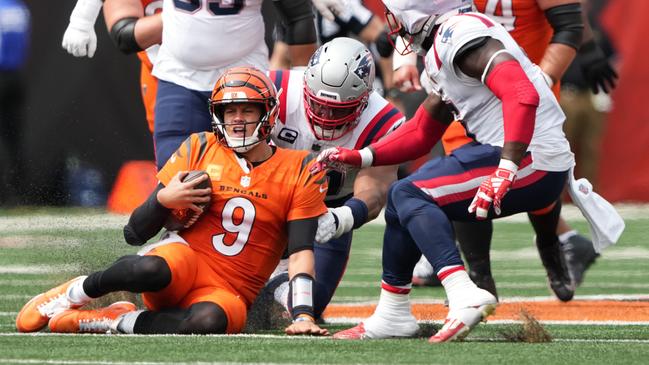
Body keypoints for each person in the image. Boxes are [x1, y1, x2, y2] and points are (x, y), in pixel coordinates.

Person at [313, 0, 579, 342]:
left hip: (531, 159)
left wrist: (505, 169)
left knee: (410, 193)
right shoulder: (446, 40)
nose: (392, 22)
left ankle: (463, 291)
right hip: (526, 155)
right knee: (400, 198)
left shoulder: (459, 35)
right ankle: (392, 314)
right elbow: (422, 132)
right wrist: (362, 156)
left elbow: (521, 93)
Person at [15, 67, 329, 336]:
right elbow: (133, 233)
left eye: (247, 110)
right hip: (185, 262)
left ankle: (111, 319)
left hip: (230, 290)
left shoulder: (300, 167)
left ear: (268, 112)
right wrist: (165, 200)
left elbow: (301, 252)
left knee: (211, 321)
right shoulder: (200, 146)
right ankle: (72, 293)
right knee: (149, 268)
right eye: (229, 111)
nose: (237, 119)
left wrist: (303, 315)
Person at [394, 0, 615, 295]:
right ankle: (479, 277)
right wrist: (404, 60)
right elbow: (414, 13)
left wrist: (544, 79)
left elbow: (569, 23)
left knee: (536, 169)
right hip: (468, 84)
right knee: (462, 166)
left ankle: (551, 243)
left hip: (524, 79)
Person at [259, 37, 404, 322]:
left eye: (338, 110)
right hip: (265, 204)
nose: (324, 117)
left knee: (303, 307)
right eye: (318, 104)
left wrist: (342, 219)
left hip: (328, 214)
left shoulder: (383, 121)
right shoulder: (277, 89)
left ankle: (273, 289)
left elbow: (375, 188)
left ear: (364, 99)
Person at [152, 0, 318, 170]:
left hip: (245, 79)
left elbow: (297, 15)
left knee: (254, 173)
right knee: (174, 172)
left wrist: (302, 83)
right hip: (179, 77)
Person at [62, 0, 163, 133]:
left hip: (194, 61)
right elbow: (124, 35)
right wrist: (82, 19)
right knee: (175, 145)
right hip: (160, 72)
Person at [0, 0, 30, 205]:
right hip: (15, 76)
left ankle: (5, 192)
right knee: (13, 136)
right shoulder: (20, 8)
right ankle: (16, 192)